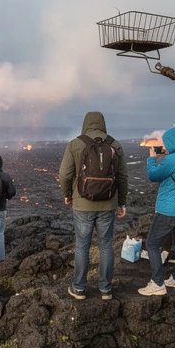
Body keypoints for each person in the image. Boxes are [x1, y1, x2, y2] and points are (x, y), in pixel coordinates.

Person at [58, 111, 129, 300]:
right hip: (108, 204)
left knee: (82, 245)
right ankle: (106, 289)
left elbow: (65, 174)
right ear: (102, 124)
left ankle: (79, 288)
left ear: (86, 124)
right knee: (106, 245)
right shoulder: (115, 145)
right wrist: (121, 201)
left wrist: (67, 194)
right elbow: (122, 177)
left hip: (82, 203)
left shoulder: (76, 143)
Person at [139, 125, 175, 296]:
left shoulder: (172, 160)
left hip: (168, 210)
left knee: (152, 244)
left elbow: (153, 175)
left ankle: (158, 283)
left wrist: (152, 159)